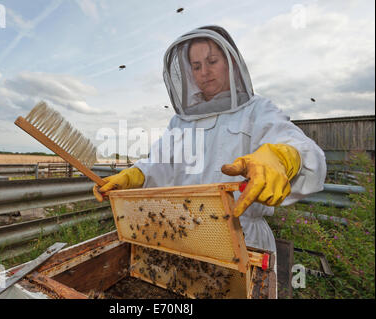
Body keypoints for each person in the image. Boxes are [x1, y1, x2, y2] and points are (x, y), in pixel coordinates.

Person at [93, 25, 326, 253]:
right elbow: (160, 163)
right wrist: (135, 175)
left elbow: (307, 153)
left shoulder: (258, 110)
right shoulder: (181, 121)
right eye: (196, 66)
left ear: (230, 63)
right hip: (185, 235)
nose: (204, 72)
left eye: (212, 61)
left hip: (245, 239)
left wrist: (282, 157)